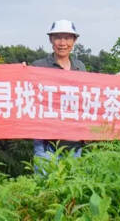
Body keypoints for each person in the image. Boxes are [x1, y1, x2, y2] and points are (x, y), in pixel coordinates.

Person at [32, 19, 87, 161]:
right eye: (57, 38)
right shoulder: (38, 66)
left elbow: (91, 94)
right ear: (51, 39)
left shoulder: (80, 67)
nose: (62, 43)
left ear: (74, 41)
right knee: (46, 182)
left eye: (67, 38)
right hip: (46, 143)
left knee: (72, 182)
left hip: (74, 142)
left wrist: (117, 81)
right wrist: (19, 71)